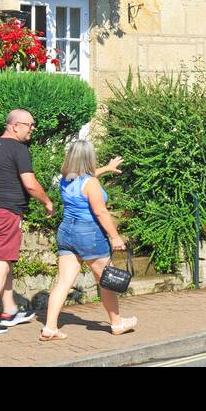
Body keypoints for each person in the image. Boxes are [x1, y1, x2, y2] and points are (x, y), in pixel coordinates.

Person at [40, 139, 135, 341]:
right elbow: (100, 212)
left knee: (63, 282)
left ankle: (49, 327)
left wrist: (108, 168)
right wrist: (115, 237)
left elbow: (88, 176)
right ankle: (117, 324)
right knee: (106, 281)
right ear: (88, 158)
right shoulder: (91, 183)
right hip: (89, 234)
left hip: (66, 231)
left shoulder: (66, 178)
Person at [0, 109, 53, 334]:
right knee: (1, 266)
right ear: (15, 126)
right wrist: (47, 201)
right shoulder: (19, 149)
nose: (32, 129)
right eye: (29, 125)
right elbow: (31, 184)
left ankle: (9, 311)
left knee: (3, 262)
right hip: (7, 214)